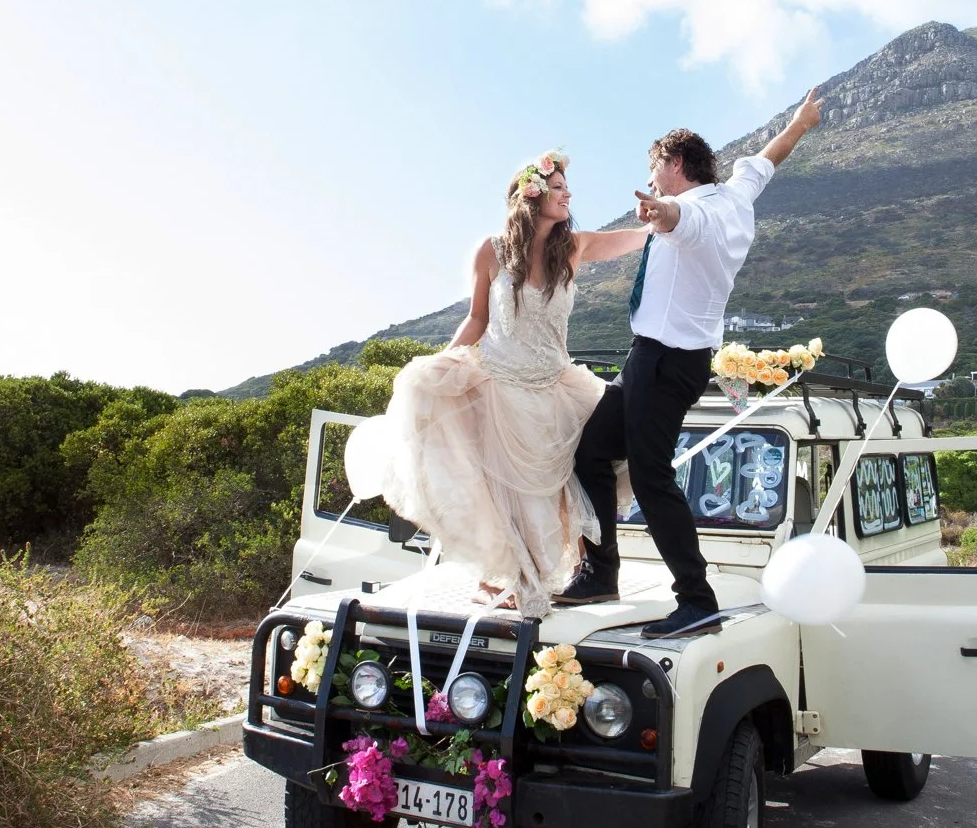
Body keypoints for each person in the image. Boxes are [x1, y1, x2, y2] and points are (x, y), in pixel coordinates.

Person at [556, 90, 823, 638]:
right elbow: (765, 162)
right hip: (657, 362)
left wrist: (663, 212)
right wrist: (798, 125)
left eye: (655, 169)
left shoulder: (696, 212)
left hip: (664, 362)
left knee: (653, 478)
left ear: (675, 164)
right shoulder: (735, 195)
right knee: (589, 450)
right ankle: (601, 572)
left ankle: (696, 600)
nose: (651, 180)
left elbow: (682, 220)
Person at [344, 154, 646, 618]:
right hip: (501, 386)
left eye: (567, 187)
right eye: (559, 186)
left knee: (566, 482)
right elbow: (478, 318)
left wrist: (665, 219)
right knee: (504, 489)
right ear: (531, 195)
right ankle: (504, 577)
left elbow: (628, 239)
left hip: (558, 386)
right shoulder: (491, 250)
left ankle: (588, 576)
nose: (568, 194)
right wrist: (444, 361)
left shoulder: (573, 247)